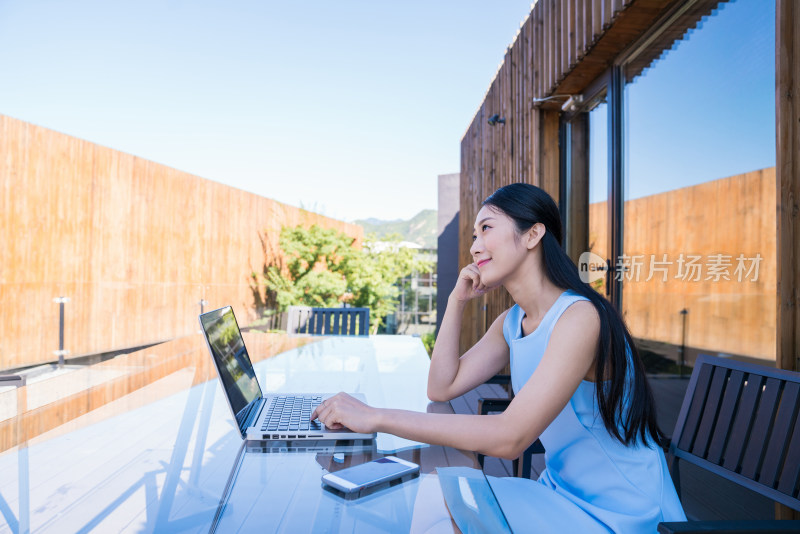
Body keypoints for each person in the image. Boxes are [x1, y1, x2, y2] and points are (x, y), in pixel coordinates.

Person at [311, 183, 686, 532]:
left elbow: (510, 439)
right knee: (432, 498)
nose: (475, 246)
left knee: (440, 505)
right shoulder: (513, 322)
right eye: (475, 235)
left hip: (622, 512)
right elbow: (441, 387)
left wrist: (376, 416)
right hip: (559, 491)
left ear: (532, 235)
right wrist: (456, 301)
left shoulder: (580, 318)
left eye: (486, 228)